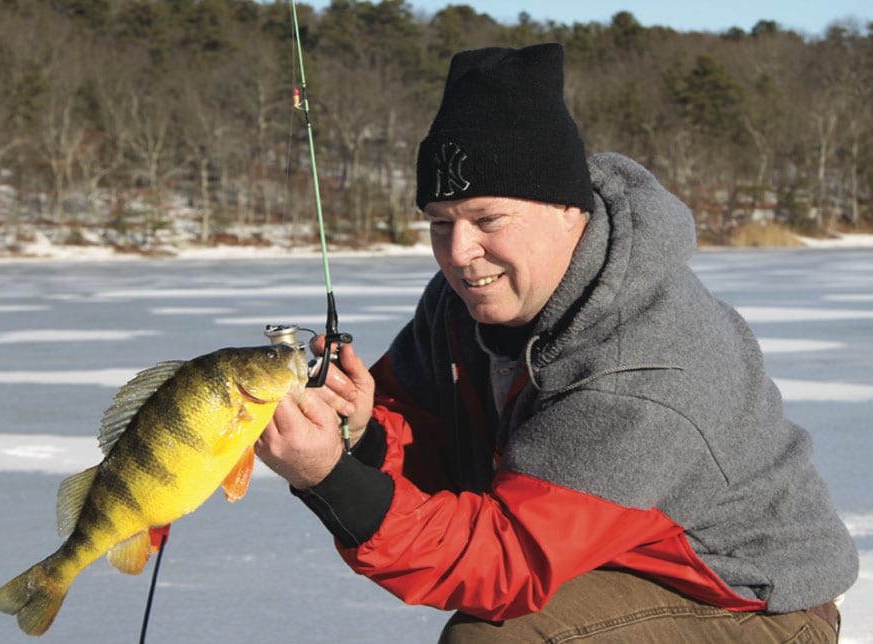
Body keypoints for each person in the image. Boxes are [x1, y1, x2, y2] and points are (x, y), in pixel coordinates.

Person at [255, 43, 858, 642]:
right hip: (603, 564)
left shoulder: (645, 366)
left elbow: (501, 563)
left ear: (570, 211)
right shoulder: (460, 302)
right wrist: (362, 433)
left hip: (746, 604)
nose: (460, 253)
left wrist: (327, 477)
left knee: (501, 640)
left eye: (488, 220)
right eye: (441, 222)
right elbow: (419, 431)